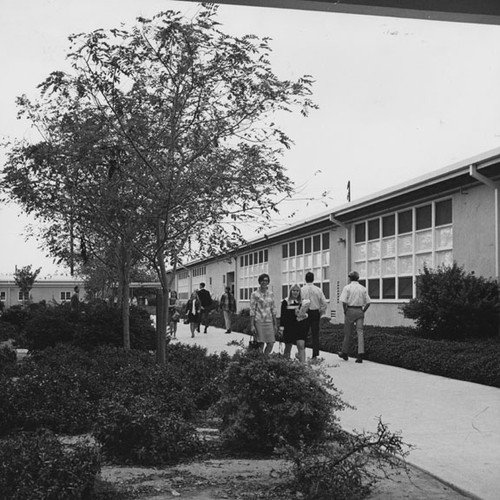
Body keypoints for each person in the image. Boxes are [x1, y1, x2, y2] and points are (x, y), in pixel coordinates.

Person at [339, 270, 371, 363]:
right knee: (360, 332)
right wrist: (363, 310)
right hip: (359, 310)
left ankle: (344, 352)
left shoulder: (347, 288)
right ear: (358, 278)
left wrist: (345, 310)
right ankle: (360, 355)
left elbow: (344, 301)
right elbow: (368, 302)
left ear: (350, 278)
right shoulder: (363, 288)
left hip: (350, 310)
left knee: (347, 333)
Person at [300, 272, 328, 360]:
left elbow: (298, 302)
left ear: (305, 279)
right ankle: (315, 355)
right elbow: (324, 303)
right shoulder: (318, 290)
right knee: (315, 334)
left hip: (305, 312)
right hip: (315, 312)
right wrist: (320, 312)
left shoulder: (302, 289)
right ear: (313, 279)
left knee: (303, 333)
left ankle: (301, 352)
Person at [249, 273, 278, 355]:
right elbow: (252, 310)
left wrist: (275, 324)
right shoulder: (254, 294)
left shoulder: (271, 294)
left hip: (269, 321)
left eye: (266, 280)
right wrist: (252, 325)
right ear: (259, 282)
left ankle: (265, 358)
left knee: (271, 343)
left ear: (268, 282)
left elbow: (273, 309)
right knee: (260, 343)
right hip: (259, 321)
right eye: (262, 280)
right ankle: (260, 362)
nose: (264, 282)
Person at [279, 284, 307, 362]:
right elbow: (283, 316)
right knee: (288, 346)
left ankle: (302, 366)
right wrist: (281, 328)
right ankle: (286, 365)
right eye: (294, 290)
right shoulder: (285, 301)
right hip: (289, 327)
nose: (295, 292)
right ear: (291, 291)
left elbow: (307, 314)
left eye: (297, 290)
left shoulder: (303, 302)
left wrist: (303, 315)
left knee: (301, 345)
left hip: (300, 326)